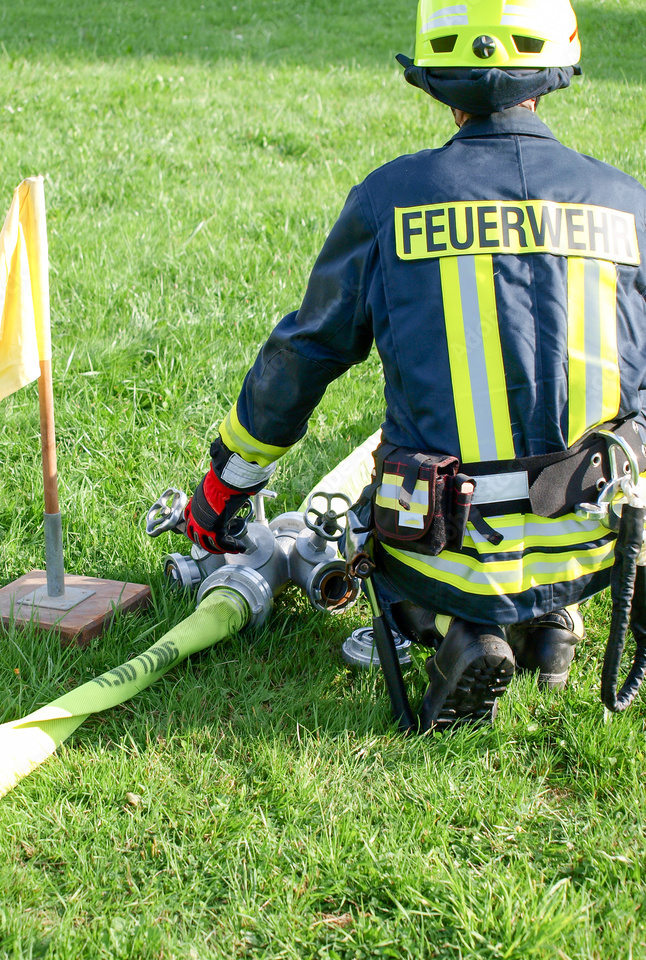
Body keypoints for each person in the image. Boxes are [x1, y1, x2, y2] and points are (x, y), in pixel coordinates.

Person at [183, 0, 646, 730]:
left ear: (434, 78)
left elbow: (308, 352)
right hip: (593, 541)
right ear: (553, 68)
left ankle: (455, 629)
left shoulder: (389, 201)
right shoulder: (628, 206)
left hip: (435, 543)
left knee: (388, 521)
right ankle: (552, 622)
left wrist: (227, 482)